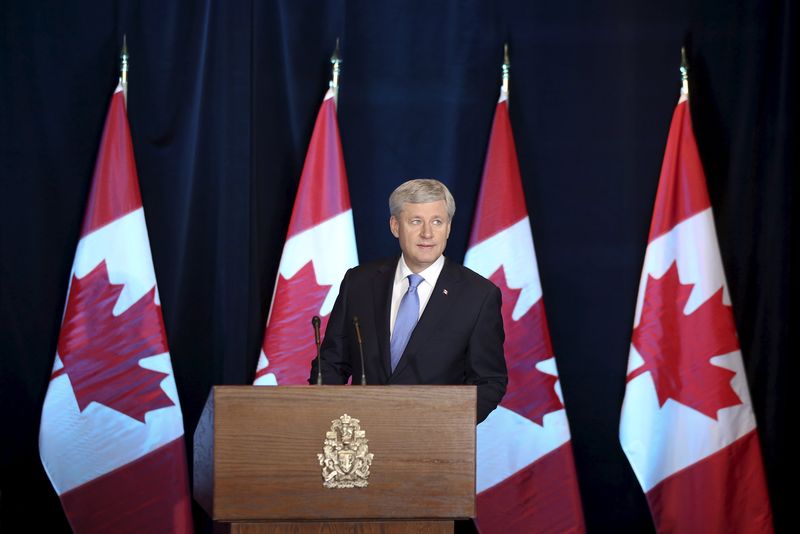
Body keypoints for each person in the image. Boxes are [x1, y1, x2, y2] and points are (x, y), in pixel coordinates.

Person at [309, 178, 507, 423]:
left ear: (448, 228)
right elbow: (331, 363)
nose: (427, 233)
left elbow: (489, 381)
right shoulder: (358, 283)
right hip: (359, 439)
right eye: (416, 221)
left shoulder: (478, 295)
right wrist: (333, 419)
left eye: (437, 221)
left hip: (435, 442)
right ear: (395, 226)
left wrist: (449, 424)